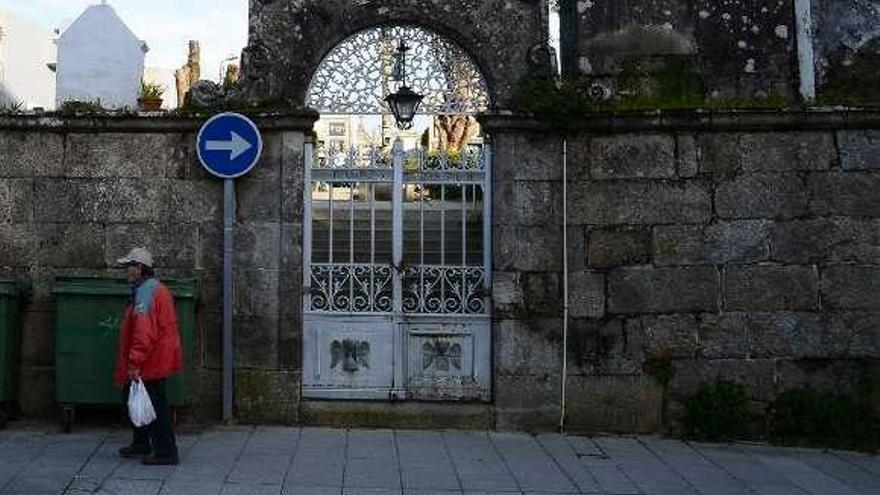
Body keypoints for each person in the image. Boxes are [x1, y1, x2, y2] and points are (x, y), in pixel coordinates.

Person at [113, 247, 182, 465]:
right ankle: (141, 442)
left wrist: (134, 362)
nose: (127, 271)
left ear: (140, 268)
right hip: (158, 356)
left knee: (154, 406)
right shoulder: (155, 289)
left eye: (129, 267)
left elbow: (144, 331)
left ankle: (166, 452)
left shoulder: (144, 293)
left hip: (150, 359)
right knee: (134, 397)